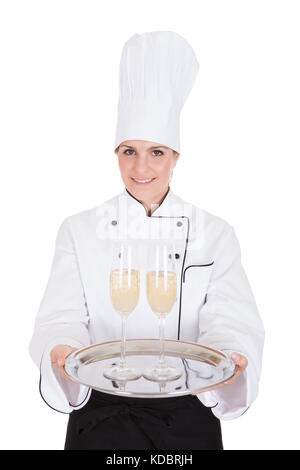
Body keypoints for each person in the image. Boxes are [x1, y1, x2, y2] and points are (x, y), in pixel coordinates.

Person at [29, 31, 265, 450]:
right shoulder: (79, 229)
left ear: (176, 157)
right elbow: (60, 316)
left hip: (188, 418)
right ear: (115, 154)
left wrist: (232, 353)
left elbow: (231, 320)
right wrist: (61, 349)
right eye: (128, 151)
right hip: (100, 417)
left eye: (156, 152)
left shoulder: (215, 233)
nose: (141, 167)